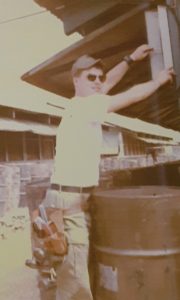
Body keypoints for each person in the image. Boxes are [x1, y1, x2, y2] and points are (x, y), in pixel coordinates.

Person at [43, 45, 174, 300]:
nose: (98, 81)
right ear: (75, 79)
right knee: (75, 281)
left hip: (68, 200)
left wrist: (129, 59)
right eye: (90, 77)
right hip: (69, 203)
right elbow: (129, 96)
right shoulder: (85, 107)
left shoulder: (81, 104)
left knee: (72, 270)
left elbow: (106, 84)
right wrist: (158, 81)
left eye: (99, 77)